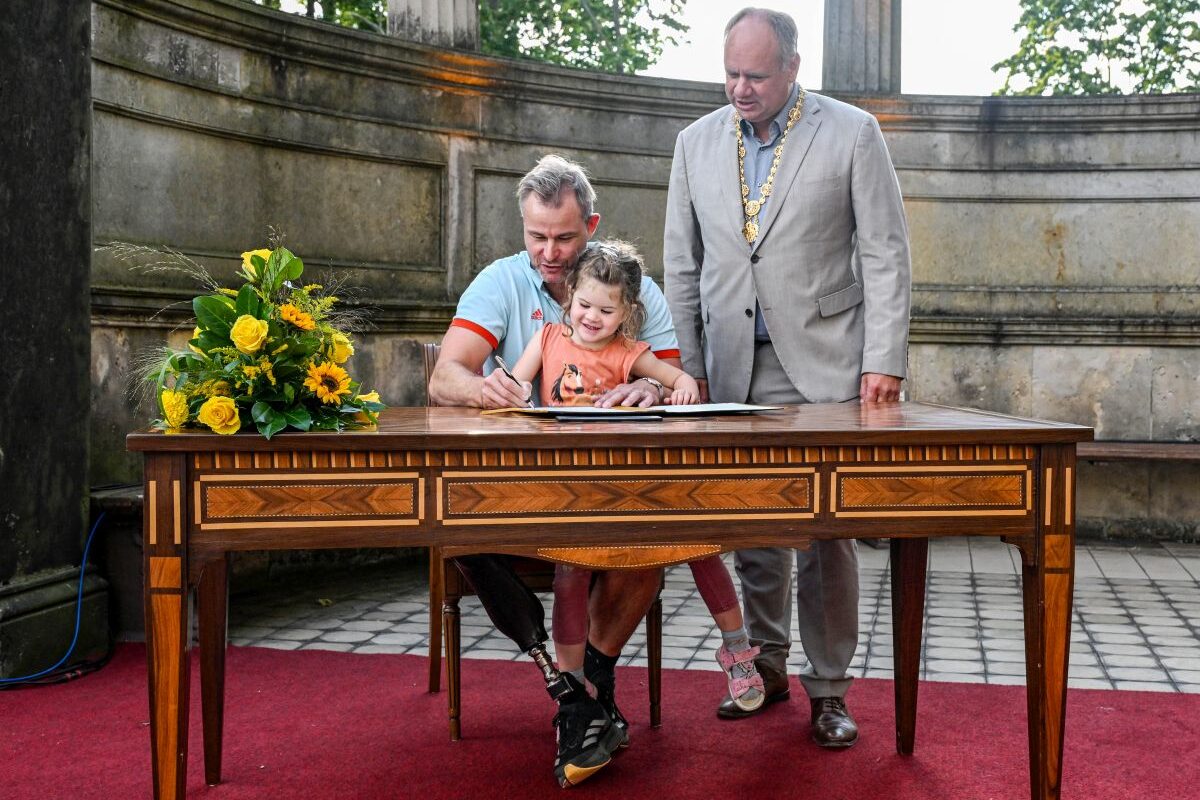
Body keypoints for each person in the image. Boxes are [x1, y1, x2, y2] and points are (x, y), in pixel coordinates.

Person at [663, 7, 912, 750]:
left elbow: (885, 254)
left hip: (829, 367)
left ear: (793, 69)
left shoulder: (852, 132)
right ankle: (765, 665)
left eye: (756, 75)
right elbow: (681, 265)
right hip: (731, 369)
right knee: (752, 529)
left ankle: (830, 688)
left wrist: (884, 360)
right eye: (731, 73)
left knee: (823, 534)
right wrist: (687, 369)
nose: (740, 88)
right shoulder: (692, 143)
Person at [428, 155, 680, 787]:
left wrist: (650, 392)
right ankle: (576, 698)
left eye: (565, 238)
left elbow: (678, 384)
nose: (549, 251)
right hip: (523, 488)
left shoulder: (635, 286)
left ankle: (585, 690)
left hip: (614, 488)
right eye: (536, 236)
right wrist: (481, 390)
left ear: (590, 226)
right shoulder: (500, 280)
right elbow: (444, 377)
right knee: (458, 526)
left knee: (659, 535)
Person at [507, 239, 767, 714]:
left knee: (699, 542)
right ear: (568, 297)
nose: (591, 317)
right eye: (584, 304)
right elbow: (517, 386)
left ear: (626, 312)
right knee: (570, 570)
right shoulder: (545, 340)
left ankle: (736, 648)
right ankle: (574, 678)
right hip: (570, 489)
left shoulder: (630, 353)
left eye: (606, 310)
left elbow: (678, 379)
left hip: (630, 488)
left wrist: (683, 387)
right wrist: (512, 394)